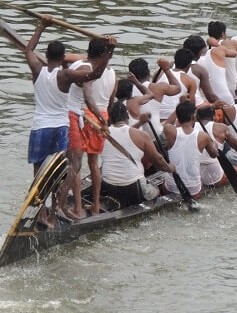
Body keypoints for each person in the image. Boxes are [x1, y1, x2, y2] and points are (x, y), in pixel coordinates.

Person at [24, 18, 115, 220]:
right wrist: (109, 52)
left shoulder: (37, 70)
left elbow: (29, 50)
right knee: (62, 172)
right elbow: (95, 74)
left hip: (39, 128)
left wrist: (42, 26)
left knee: (38, 173)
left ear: (47, 56)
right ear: (62, 57)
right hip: (59, 128)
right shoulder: (66, 75)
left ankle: (39, 213)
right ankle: (56, 212)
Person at [99, 100, 175, 209]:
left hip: (109, 186)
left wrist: (140, 123)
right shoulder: (141, 135)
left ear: (109, 119)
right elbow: (158, 161)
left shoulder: (103, 134)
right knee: (157, 191)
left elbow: (122, 135)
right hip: (133, 188)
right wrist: (170, 168)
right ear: (127, 117)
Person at [78, 37, 118, 216]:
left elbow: (87, 96)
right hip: (103, 115)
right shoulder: (113, 73)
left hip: (87, 115)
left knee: (75, 163)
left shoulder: (88, 69)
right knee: (94, 162)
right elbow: (111, 101)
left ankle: (78, 207)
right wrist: (104, 121)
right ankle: (95, 205)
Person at [162, 101, 218, 199]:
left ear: (178, 117)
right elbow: (214, 154)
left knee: (164, 181)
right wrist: (214, 144)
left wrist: (180, 108)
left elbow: (167, 123)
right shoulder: (203, 136)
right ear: (193, 117)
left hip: (172, 187)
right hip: (193, 190)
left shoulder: (169, 130)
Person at [195, 105, 237, 187]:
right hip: (214, 175)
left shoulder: (190, 128)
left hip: (195, 174)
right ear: (214, 116)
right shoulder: (221, 127)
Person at [128, 57, 180, 134]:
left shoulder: (125, 89)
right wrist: (165, 68)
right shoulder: (158, 87)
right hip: (155, 135)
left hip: (134, 132)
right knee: (182, 104)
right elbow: (178, 88)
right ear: (148, 73)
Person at [205, 20, 237, 96]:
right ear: (223, 34)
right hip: (233, 88)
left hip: (215, 89)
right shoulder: (231, 44)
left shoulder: (205, 48)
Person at [197, 23, 237, 105]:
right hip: (233, 92)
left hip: (212, 95)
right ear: (223, 34)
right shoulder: (226, 47)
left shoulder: (203, 55)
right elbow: (235, 53)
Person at [156, 48, 198, 122]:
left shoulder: (160, 73)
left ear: (174, 61)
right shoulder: (191, 81)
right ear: (189, 65)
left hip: (156, 115)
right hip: (173, 119)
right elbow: (192, 107)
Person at [182, 35, 221, 105]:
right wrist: (225, 105)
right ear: (200, 53)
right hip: (192, 107)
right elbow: (211, 98)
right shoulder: (199, 69)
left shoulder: (169, 65)